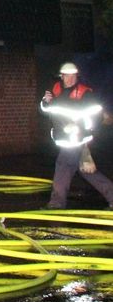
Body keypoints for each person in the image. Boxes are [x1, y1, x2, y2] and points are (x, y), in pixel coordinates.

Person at [40, 62, 113, 210]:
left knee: (63, 168)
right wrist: (45, 102)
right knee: (87, 171)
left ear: (76, 76)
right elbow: (47, 111)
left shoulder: (85, 93)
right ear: (62, 76)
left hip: (77, 140)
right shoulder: (56, 90)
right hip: (65, 140)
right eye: (67, 75)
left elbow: (96, 116)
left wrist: (78, 127)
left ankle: (56, 204)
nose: (70, 79)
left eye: (73, 75)